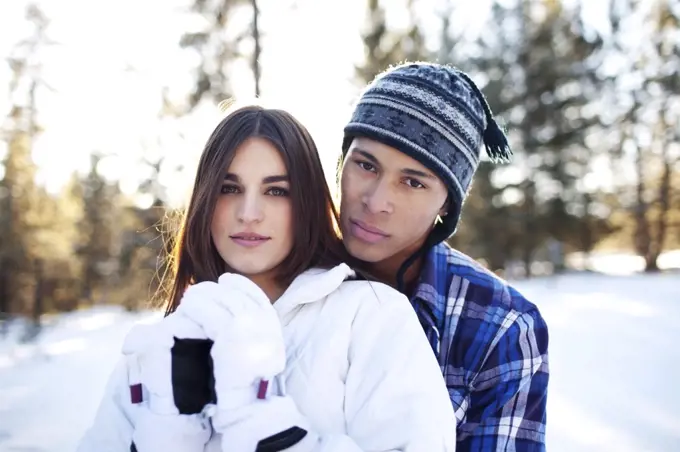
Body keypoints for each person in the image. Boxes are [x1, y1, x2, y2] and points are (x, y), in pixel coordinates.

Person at [76, 103, 457, 452]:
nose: (249, 213)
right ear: (206, 200)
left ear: (305, 202)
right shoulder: (162, 346)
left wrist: (268, 427)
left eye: (276, 191)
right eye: (229, 188)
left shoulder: (373, 317)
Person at [337, 62, 550, 451]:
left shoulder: (501, 327)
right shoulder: (284, 275)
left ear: (447, 204)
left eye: (413, 181)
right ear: (342, 162)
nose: (376, 201)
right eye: (366, 165)